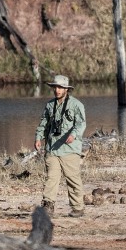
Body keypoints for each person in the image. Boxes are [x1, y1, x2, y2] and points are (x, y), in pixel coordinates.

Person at [34, 75, 87, 218]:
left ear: (66, 89)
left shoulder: (76, 105)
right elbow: (43, 123)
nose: (57, 90)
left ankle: (77, 207)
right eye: (55, 87)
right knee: (51, 178)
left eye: (60, 88)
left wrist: (74, 135)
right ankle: (48, 206)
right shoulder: (50, 105)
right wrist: (39, 137)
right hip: (52, 148)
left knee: (72, 178)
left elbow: (81, 124)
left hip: (69, 149)